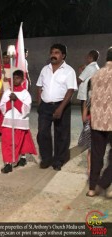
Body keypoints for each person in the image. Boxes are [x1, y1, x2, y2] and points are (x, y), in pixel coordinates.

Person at [36, 43, 77, 171]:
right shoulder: (45, 69)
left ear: (63, 55)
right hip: (45, 106)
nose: (53, 55)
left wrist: (60, 108)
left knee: (62, 135)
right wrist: (39, 103)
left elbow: (70, 90)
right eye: (52, 52)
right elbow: (39, 86)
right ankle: (46, 159)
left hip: (62, 105)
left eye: (57, 53)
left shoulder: (69, 71)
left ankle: (59, 160)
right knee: (42, 133)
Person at [86, 47, 112, 198]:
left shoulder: (96, 75)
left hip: (97, 121)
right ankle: (104, 182)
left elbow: (91, 97)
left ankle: (92, 188)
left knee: (96, 155)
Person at [0, 70, 37, 173]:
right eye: (14, 78)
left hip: (20, 122)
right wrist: (8, 102)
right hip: (8, 121)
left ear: (22, 80)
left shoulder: (25, 94)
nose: (15, 80)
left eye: (17, 78)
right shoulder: (8, 92)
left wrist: (16, 100)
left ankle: (22, 157)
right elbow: (1, 107)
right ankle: (8, 163)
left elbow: (26, 110)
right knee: (7, 142)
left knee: (18, 143)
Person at [0, 52, 11, 134]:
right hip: (0, 92)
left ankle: (6, 127)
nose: (5, 59)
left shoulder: (13, 68)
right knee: (0, 110)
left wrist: (9, 80)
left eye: (7, 57)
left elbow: (16, 80)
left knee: (8, 110)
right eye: (4, 57)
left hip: (9, 92)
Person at [77, 50, 100, 114]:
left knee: (85, 116)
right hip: (92, 94)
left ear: (90, 57)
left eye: (87, 57)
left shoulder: (89, 67)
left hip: (85, 96)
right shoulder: (97, 67)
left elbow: (79, 80)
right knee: (91, 116)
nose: (86, 58)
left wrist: (80, 71)